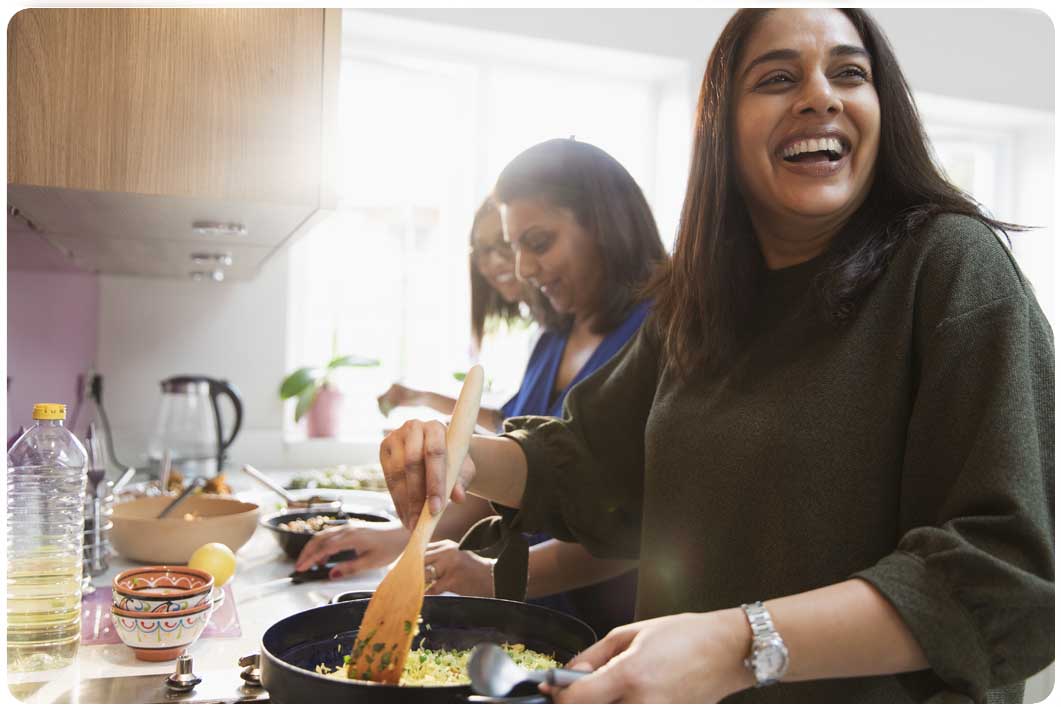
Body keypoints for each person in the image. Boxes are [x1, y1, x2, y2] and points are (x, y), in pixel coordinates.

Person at [379, 8, 1054, 703]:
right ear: (720, 128)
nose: (821, 95)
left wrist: (739, 644)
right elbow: (594, 465)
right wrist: (463, 454)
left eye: (849, 73)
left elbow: (999, 581)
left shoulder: (949, 266)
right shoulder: (696, 301)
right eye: (777, 77)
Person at [299, 138, 668, 638]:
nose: (522, 271)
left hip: (604, 633)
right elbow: (509, 483)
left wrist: (497, 576)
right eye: (515, 250)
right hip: (529, 619)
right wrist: (396, 540)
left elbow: (634, 526)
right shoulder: (552, 341)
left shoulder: (660, 340)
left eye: (538, 243)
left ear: (605, 225)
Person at [376, 196, 539, 432]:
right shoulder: (542, 335)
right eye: (483, 250)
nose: (493, 260)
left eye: (505, 243)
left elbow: (524, 433)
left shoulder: (562, 334)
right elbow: (509, 423)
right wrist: (422, 398)